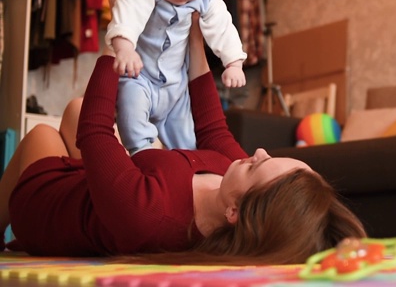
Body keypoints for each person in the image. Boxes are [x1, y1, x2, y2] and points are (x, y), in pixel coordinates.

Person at [0, 15, 366, 264]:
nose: (257, 152)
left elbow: (94, 131)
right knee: (77, 108)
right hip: (97, 192)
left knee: (43, 133)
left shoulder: (152, 214)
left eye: (259, 164)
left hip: (50, 206)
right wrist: (193, 37)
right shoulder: (232, 183)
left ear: (235, 212)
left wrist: (120, 36)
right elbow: (212, 127)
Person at [106, 0, 247, 155]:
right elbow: (127, 14)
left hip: (176, 87)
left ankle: (184, 165)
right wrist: (125, 48)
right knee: (132, 116)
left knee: (186, 143)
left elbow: (223, 27)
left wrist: (234, 62)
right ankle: (142, 154)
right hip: (140, 77)